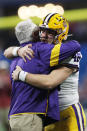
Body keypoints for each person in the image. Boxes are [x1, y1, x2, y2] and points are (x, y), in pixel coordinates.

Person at [4, 14, 83, 131]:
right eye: (42, 31)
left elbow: (50, 81)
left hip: (67, 110)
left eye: (49, 32)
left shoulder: (68, 52)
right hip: (49, 114)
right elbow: (7, 52)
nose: (44, 36)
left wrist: (21, 75)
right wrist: (18, 50)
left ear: (60, 34)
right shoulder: (39, 49)